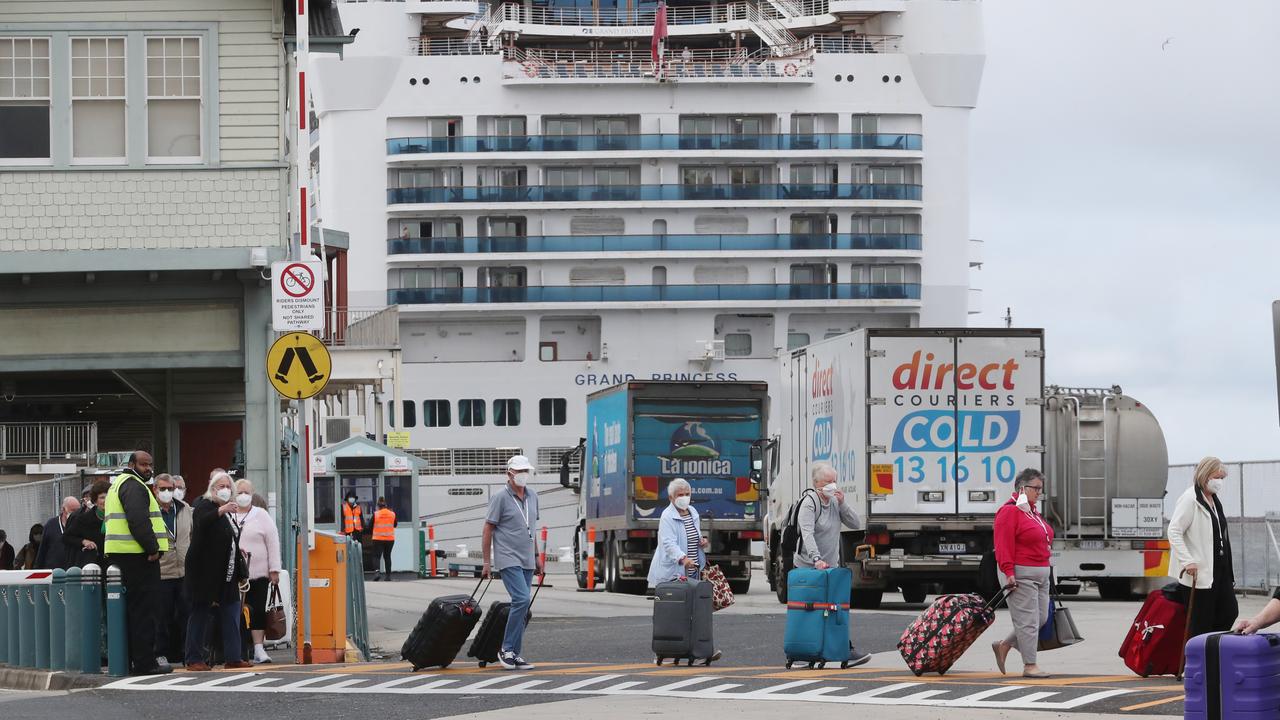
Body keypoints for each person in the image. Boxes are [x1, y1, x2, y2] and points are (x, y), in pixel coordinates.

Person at [792, 463, 871, 667]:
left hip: (831, 567)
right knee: (810, 611)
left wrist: (843, 503)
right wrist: (816, 559)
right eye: (828, 482)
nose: (832, 485)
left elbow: (855, 524)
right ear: (817, 483)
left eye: (834, 481)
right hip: (809, 568)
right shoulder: (809, 503)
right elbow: (807, 533)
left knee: (836, 610)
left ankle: (844, 649)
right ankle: (806, 650)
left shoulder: (835, 502)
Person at [104, 450, 171, 675]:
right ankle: (145, 662)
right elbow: (138, 519)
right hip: (138, 557)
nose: (148, 469)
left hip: (123, 555)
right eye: (143, 465)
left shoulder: (118, 484)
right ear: (132, 464)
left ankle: (130, 659)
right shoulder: (134, 486)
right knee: (144, 611)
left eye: (150, 465)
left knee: (131, 611)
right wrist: (152, 548)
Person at [647, 477, 723, 663]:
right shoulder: (667, 516)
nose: (684, 498)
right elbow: (668, 543)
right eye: (680, 495)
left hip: (694, 569)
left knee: (697, 611)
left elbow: (693, 536)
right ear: (672, 498)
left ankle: (701, 650)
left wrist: (701, 541)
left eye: (687, 494)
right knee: (671, 612)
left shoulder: (692, 512)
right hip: (673, 571)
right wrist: (682, 558)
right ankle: (665, 648)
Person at [184, 472, 252, 671]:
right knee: (200, 613)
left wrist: (234, 548)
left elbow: (227, 536)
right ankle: (193, 657)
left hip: (226, 573)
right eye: (220, 486)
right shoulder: (204, 505)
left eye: (228, 486)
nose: (225, 490)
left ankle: (233, 656)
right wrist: (221, 510)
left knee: (231, 611)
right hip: (204, 573)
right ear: (212, 488)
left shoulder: (229, 512)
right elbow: (202, 524)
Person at [991, 468, 1054, 679]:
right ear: (1022, 488)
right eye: (1036, 488)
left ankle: (1004, 645)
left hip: (1041, 572)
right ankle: (1030, 665)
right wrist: (1008, 572)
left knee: (1042, 617)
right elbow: (1002, 545)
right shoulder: (1009, 511)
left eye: (1040, 489)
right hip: (1021, 573)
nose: (1039, 492)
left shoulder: (1031, 511)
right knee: (1027, 621)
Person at [482, 455, 543, 671]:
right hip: (508, 557)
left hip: (527, 558)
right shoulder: (500, 497)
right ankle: (506, 649)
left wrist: (537, 556)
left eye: (526, 470)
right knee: (521, 599)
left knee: (523, 605)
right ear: (509, 474)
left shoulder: (533, 496)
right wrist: (486, 562)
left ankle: (515, 653)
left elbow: (532, 529)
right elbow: (488, 528)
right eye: (519, 471)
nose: (524, 475)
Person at [1168, 456, 1237, 639]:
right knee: (1200, 623)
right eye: (1217, 477)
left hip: (1220, 570)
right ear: (1205, 475)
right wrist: (1187, 561)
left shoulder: (1214, 501)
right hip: (1199, 573)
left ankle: (1211, 650)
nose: (1219, 482)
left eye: (1222, 478)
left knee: (1229, 612)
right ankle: (1197, 663)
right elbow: (1174, 531)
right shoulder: (1190, 499)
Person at [230, 478, 281, 665]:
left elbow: (273, 541)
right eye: (239, 492)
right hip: (234, 575)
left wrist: (274, 568)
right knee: (236, 611)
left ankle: (259, 648)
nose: (243, 496)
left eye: (246, 492)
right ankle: (240, 648)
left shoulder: (261, 515)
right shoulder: (229, 514)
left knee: (258, 609)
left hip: (258, 572)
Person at [152, 473, 192, 665]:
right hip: (162, 570)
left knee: (186, 614)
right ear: (155, 490)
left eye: (170, 488)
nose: (168, 492)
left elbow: (192, 535)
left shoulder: (185, 509)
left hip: (184, 570)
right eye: (163, 489)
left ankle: (188, 653)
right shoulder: (150, 511)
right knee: (162, 617)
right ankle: (161, 653)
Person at [64, 480, 110, 568]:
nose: (106, 501)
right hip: (91, 566)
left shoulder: (118, 517)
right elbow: (67, 537)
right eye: (102, 497)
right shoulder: (83, 519)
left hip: (111, 565)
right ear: (95, 501)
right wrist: (84, 541)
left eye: (108, 497)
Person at [36, 497, 80, 570]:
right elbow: (42, 550)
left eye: (78, 511)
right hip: (53, 571)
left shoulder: (80, 525)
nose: (76, 514)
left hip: (73, 571)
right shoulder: (51, 525)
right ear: (63, 509)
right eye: (73, 510)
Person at [371, 497, 396, 581]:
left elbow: (369, 526)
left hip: (378, 539)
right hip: (390, 539)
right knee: (387, 556)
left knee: (376, 556)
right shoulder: (392, 514)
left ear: (378, 505)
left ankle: (377, 572)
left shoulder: (376, 514)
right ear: (386, 505)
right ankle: (388, 576)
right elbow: (395, 524)